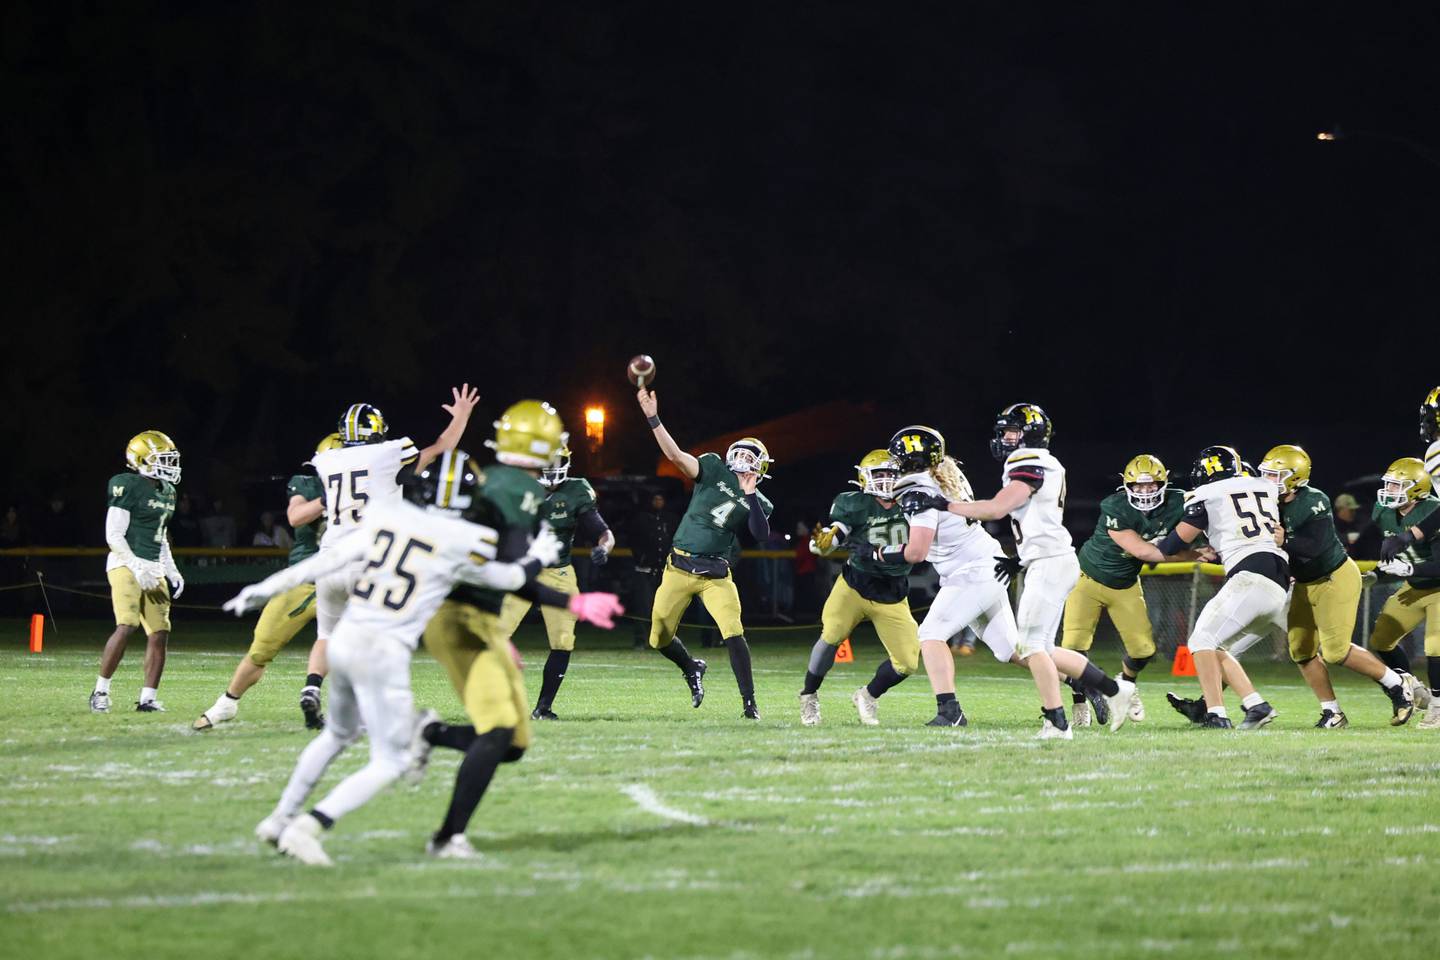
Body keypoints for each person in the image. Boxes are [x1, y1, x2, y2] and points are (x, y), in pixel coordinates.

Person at [226, 450, 579, 865]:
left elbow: (326, 560)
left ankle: (279, 818)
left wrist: (259, 591)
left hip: (344, 641)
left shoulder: (387, 517)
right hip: (383, 652)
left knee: (336, 735)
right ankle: (309, 826)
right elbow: (510, 578)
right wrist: (538, 554)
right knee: (390, 762)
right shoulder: (463, 541)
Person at [419, 402, 623, 858]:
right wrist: (574, 600)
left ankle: (428, 734)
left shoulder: (503, 481)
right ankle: (447, 837)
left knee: (512, 743)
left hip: (471, 614)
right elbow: (516, 576)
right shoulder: (519, 490)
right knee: (497, 732)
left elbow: (513, 577)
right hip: (461, 616)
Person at [910, 407, 1138, 736]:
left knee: (1031, 647)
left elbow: (997, 508)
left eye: (1011, 431)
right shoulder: (1043, 461)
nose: (1005, 438)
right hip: (1046, 559)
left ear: (1029, 433)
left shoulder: (1029, 461)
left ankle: (1057, 721)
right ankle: (1115, 690)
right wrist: (1019, 558)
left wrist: (944, 505)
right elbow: (1034, 519)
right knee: (1034, 648)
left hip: (1050, 562)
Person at [303, 387, 479, 728]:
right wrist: (461, 418)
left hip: (329, 559)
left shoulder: (326, 459)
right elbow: (439, 449)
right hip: (369, 560)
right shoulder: (389, 452)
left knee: (326, 635)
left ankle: (312, 687)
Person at [635, 386, 773, 719]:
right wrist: (653, 418)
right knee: (658, 637)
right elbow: (676, 457)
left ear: (761, 467)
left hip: (715, 575)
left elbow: (759, 534)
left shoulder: (760, 501)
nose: (742, 461)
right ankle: (691, 667)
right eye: (739, 454)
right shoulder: (712, 469)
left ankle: (749, 704)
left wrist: (751, 495)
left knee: (733, 631)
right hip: (679, 568)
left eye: (749, 458)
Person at [1258, 445, 1414, 727]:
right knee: (1301, 650)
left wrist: (1284, 542)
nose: (1268, 481)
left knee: (1335, 651)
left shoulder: (1313, 500)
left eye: (1275, 475)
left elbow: (1315, 546)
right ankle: (1333, 712)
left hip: (1334, 576)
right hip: (1304, 583)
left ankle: (1397, 685)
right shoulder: (1265, 502)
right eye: (1266, 474)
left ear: (1295, 477)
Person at [193, 434, 341, 731]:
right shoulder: (307, 482)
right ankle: (226, 704)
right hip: (304, 579)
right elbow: (296, 515)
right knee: (261, 649)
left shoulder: (370, 487)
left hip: (343, 579)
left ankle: (358, 711)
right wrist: (333, 497)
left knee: (365, 649)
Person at [1140, 446, 1282, 729]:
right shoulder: (1263, 486)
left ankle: (1222, 713)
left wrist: (1156, 543)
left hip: (1250, 576)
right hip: (1278, 579)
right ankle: (1251, 705)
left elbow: (1174, 544)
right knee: (1217, 646)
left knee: (1200, 640)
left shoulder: (1208, 494)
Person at [1060, 455, 1199, 725]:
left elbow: (1206, 508)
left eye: (1151, 485)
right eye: (1138, 486)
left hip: (1125, 584)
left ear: (1165, 482)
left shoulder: (1180, 501)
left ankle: (1126, 687)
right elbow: (1143, 551)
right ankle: (1079, 703)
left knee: (1143, 650)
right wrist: (1192, 555)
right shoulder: (1115, 506)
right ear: (1127, 485)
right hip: (1086, 579)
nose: (1145, 491)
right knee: (1073, 648)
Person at [494, 444, 615, 720]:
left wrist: (603, 549)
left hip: (558, 571)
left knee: (563, 640)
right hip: (521, 571)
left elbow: (602, 531)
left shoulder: (576, 491)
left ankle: (543, 707)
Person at [799, 449, 917, 726]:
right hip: (855, 585)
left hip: (893, 592)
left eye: (891, 474)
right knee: (831, 636)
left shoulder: (913, 502)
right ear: (864, 478)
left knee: (907, 663)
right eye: (880, 474)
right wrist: (827, 540)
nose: (886, 480)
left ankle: (867, 695)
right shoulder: (855, 503)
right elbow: (838, 532)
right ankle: (809, 695)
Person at [90, 431, 183, 713]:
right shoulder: (126, 485)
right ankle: (100, 691)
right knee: (127, 624)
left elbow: (161, 535)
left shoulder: (168, 490)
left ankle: (147, 698)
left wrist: (171, 568)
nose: (169, 464)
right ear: (141, 459)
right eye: (162, 459)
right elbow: (114, 535)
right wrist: (137, 566)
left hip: (153, 566)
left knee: (159, 632)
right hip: (125, 563)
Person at [1369, 457, 1440, 728]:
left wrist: (1408, 569)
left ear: (1418, 488)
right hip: (1414, 587)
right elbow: (1391, 557)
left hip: (1438, 588)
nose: (1390, 491)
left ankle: (1438, 706)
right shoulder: (1385, 512)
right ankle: (1413, 690)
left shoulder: (1433, 512)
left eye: (1398, 486)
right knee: (1381, 639)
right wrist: (1376, 575)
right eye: (1389, 485)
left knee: (1435, 646)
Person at [626, 492, 675, 649]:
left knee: (664, 607)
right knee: (643, 607)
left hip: (664, 570)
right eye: (655, 499)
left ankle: (661, 639)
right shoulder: (641, 519)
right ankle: (640, 639)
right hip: (644, 569)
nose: (658, 502)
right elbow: (632, 540)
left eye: (661, 499)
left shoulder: (669, 519)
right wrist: (640, 557)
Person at [1332, 493, 1379, 559]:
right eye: (1350, 510)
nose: (1353, 513)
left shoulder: (1357, 523)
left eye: (1354, 510)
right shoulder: (1330, 524)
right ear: (1340, 509)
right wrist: (1346, 538)